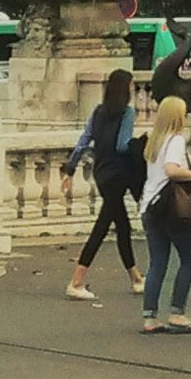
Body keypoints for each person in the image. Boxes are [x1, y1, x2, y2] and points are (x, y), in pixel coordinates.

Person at [62, 65, 144, 300]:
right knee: (102, 228)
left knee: (122, 226)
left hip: (101, 173)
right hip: (119, 174)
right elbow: (122, 145)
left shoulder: (98, 111)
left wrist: (70, 169)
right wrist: (139, 146)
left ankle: (136, 277)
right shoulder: (127, 113)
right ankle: (77, 281)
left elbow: (83, 141)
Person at [139, 94, 191, 331]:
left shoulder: (154, 140)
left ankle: (149, 315)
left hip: (151, 205)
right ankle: (177, 312)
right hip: (172, 208)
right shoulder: (176, 140)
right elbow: (171, 171)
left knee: (157, 262)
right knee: (189, 258)